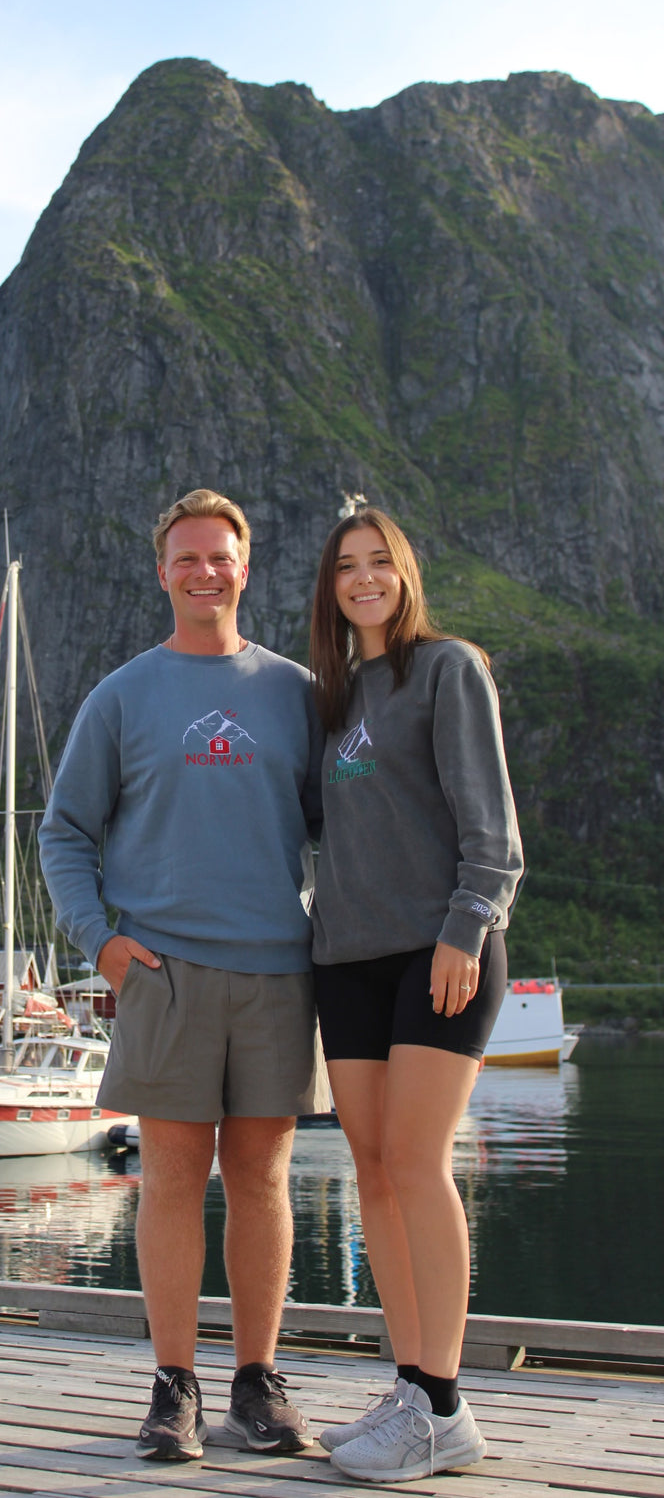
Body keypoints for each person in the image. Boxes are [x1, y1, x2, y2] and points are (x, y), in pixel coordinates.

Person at [39, 488, 324, 1461]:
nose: (205, 572)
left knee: (261, 1179)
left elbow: (350, 829)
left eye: (221, 556)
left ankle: (258, 1379)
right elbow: (65, 832)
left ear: (248, 567)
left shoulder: (296, 694)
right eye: (187, 558)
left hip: (280, 975)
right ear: (163, 572)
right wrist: (102, 944)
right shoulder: (121, 696)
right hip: (164, 974)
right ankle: (174, 1387)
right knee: (169, 1182)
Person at [307, 505, 523, 1483]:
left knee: (414, 1158)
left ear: (404, 573)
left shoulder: (447, 670)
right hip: (345, 958)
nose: (363, 579)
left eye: (378, 563)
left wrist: (466, 926)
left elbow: (492, 830)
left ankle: (443, 1405)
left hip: (439, 953)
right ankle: (410, 1384)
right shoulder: (335, 698)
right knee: (372, 1169)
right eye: (346, 566)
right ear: (330, 586)